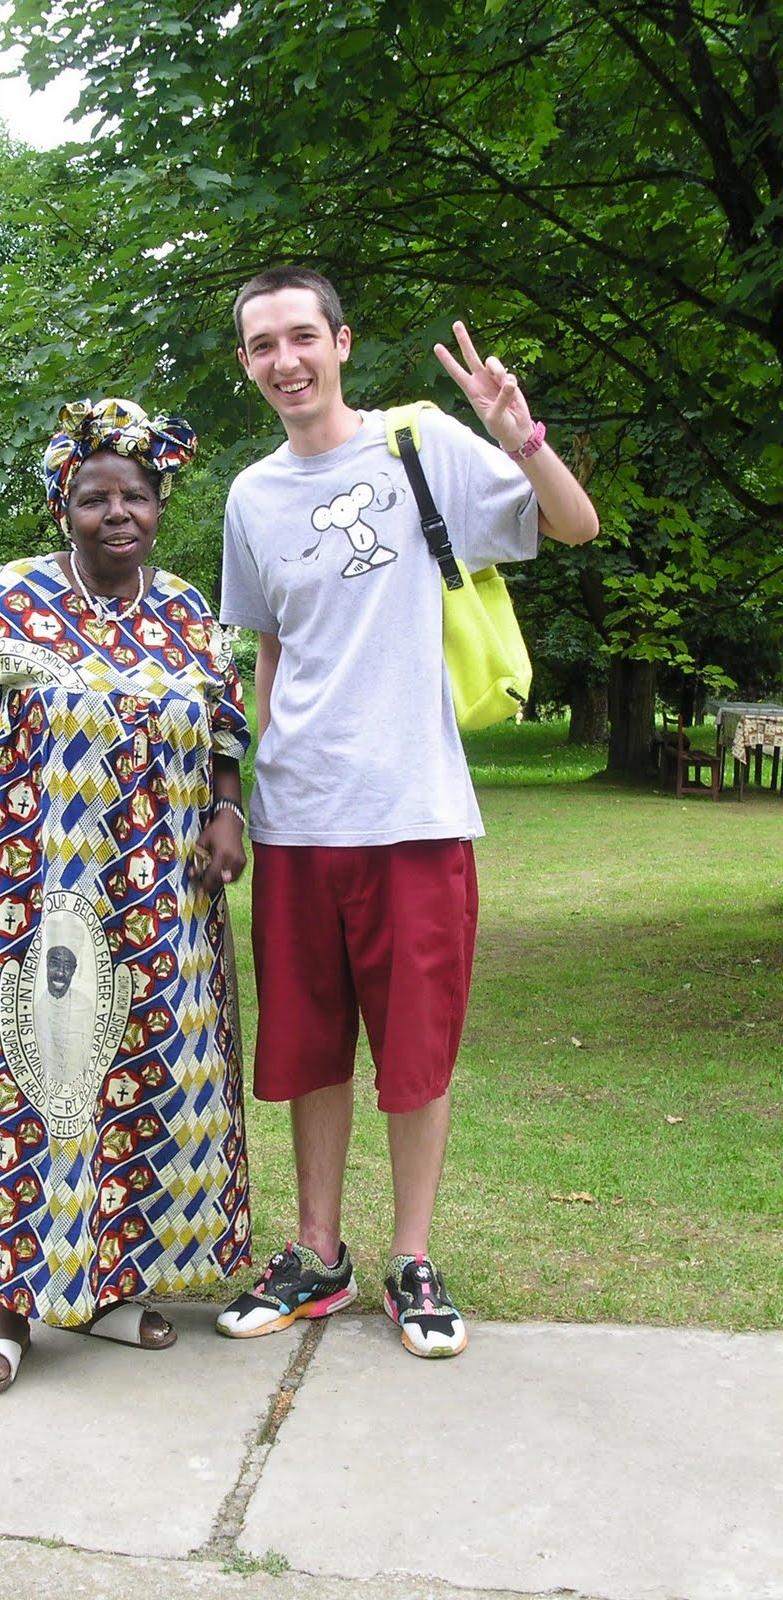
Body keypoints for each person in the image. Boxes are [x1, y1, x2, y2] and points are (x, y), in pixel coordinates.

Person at [215, 267, 598, 1357]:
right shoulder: (250, 496)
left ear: (340, 342)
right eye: (263, 345)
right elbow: (270, 648)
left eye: (303, 336)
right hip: (299, 823)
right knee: (309, 1050)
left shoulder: (419, 444)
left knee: (416, 1054)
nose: (286, 360)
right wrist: (257, 780)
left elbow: (573, 524)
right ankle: (317, 1253)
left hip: (415, 811)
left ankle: (413, 1259)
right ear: (247, 364)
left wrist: (519, 433)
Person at [0, 398, 252, 1394]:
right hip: (37, 889)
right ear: (64, 509)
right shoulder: (9, 598)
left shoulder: (188, 612)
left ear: (159, 505)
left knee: (141, 1074)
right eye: (94, 497)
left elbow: (223, 724)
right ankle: (8, 1307)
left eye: (135, 495)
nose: (117, 512)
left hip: (162, 896)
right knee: (38, 1074)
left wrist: (226, 808)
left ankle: (107, 1286)